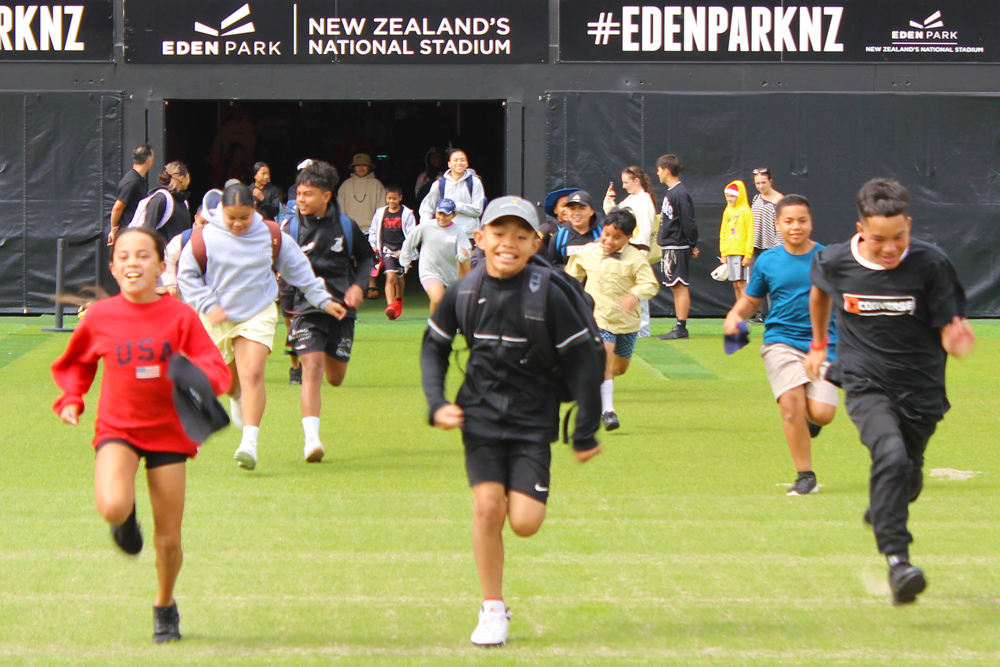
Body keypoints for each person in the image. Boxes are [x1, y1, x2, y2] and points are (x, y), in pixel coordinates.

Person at [420, 196, 602, 647]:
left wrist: (585, 430)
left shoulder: (550, 293)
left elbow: (585, 362)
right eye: (498, 234)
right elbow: (434, 347)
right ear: (478, 239)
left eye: (520, 236)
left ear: (535, 243)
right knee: (487, 507)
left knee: (523, 522)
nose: (508, 244)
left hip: (531, 423)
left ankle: (499, 592)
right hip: (478, 419)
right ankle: (492, 608)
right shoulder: (464, 291)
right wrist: (436, 402)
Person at [51, 228, 231, 643]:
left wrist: (204, 379)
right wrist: (72, 398)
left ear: (160, 266)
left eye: (143, 256)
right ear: (114, 269)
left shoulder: (181, 316)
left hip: (169, 433)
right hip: (118, 427)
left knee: (169, 540)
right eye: (125, 257)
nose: (134, 263)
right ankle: (125, 519)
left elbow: (212, 363)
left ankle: (165, 605)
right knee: (113, 505)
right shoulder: (98, 316)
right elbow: (77, 363)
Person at [805, 178, 975, 605]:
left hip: (921, 389)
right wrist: (820, 345)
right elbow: (821, 293)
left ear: (910, 226)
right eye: (879, 238)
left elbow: (950, 324)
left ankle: (885, 506)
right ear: (860, 228)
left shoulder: (931, 264)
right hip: (865, 381)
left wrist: (955, 341)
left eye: (899, 237)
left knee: (907, 476)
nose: (889, 247)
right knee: (891, 456)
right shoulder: (835, 261)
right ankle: (899, 563)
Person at [177, 184, 346, 471]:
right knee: (230, 384)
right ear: (221, 212)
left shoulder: (270, 234)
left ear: (254, 211)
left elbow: (299, 269)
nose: (238, 224)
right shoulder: (204, 236)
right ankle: (237, 398)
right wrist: (207, 304)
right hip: (216, 318)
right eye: (232, 217)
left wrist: (323, 300)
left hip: (258, 311)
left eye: (244, 217)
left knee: (253, 372)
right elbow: (187, 276)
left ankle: (249, 443)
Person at [723, 195, 838, 495]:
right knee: (791, 406)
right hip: (780, 341)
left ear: (811, 223)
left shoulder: (827, 259)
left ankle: (812, 423)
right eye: (788, 221)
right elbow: (751, 300)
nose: (795, 226)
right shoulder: (768, 261)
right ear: (777, 225)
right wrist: (735, 315)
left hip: (822, 344)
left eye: (802, 220)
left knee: (822, 413)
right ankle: (805, 475)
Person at [287, 160, 376, 463]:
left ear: (326, 195)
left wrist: (359, 287)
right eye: (299, 193)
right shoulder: (292, 227)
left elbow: (366, 258)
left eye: (308, 194)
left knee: (335, 378)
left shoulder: (347, 227)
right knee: (310, 368)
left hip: (342, 310)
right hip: (306, 308)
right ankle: (311, 440)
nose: (301, 199)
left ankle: (326, 349)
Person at [566, 207, 659, 431]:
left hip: (627, 323)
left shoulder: (635, 258)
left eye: (617, 237)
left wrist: (634, 295)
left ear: (628, 238)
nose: (609, 241)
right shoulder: (588, 252)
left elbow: (650, 284)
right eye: (606, 234)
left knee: (618, 369)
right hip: (599, 319)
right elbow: (570, 277)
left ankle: (598, 382)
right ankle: (608, 411)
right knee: (603, 362)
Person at [604, 166, 657, 337]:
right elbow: (614, 215)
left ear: (636, 181)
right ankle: (635, 325)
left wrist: (642, 250)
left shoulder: (644, 199)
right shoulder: (630, 199)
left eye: (626, 182)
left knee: (640, 286)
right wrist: (609, 200)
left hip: (638, 249)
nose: (624, 186)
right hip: (629, 249)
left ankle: (643, 328)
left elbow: (646, 228)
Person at [418, 148, 486, 276]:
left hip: (468, 234)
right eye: (455, 160)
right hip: (445, 233)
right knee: (449, 272)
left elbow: (478, 209)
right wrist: (427, 226)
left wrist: (455, 206)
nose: (459, 163)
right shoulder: (440, 184)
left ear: (467, 163)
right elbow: (427, 207)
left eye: (462, 160)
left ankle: (465, 296)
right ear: (449, 164)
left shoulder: (474, 182)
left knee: (467, 272)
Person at [400, 199, 472, 314]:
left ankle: (446, 324)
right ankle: (435, 327)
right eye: (439, 213)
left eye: (446, 214)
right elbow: (409, 242)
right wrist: (405, 261)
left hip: (450, 275)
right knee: (437, 298)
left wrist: (464, 255)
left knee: (448, 304)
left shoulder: (458, 231)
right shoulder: (426, 226)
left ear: (454, 215)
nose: (442, 217)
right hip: (429, 271)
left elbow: (465, 252)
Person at [655, 154, 699, 340]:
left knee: (679, 285)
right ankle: (679, 325)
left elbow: (688, 222)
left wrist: (691, 244)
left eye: (658, 170)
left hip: (678, 246)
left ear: (666, 170)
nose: (657, 174)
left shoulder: (680, 193)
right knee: (675, 286)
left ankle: (681, 328)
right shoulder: (672, 192)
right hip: (670, 245)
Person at [337, 153, 386, 298]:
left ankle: (372, 285)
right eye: (358, 165)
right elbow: (340, 208)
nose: (361, 168)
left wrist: (377, 227)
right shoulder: (345, 185)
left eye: (364, 165)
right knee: (351, 259)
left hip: (371, 228)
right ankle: (356, 286)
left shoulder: (376, 184)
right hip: (351, 228)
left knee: (371, 258)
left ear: (369, 167)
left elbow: (381, 208)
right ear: (353, 168)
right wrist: (345, 225)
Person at [369, 184, 416, 320]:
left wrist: (405, 250)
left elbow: (412, 234)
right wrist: (373, 244)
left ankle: (398, 299)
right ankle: (390, 306)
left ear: (400, 198)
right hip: (386, 249)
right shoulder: (380, 213)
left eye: (394, 198)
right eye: (389, 198)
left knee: (399, 279)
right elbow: (374, 230)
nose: (391, 201)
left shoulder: (407, 214)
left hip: (401, 250)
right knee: (390, 276)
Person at [750, 167, 785, 321]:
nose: (760, 186)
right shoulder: (755, 199)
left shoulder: (779, 200)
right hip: (755, 246)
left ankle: (775, 314)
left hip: (772, 247)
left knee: (773, 282)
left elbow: (782, 224)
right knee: (758, 280)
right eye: (757, 183)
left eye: (763, 182)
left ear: (770, 181)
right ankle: (760, 314)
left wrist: (779, 246)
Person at [136, 161, 194, 243]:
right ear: (181, 178)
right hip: (164, 254)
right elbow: (148, 231)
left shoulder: (184, 202)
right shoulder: (162, 198)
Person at [108, 144, 154, 246]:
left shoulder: (137, 179)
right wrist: (113, 229)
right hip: (128, 233)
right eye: (152, 158)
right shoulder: (132, 182)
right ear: (147, 161)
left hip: (133, 232)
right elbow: (117, 207)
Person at [719, 180, 754, 304]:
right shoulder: (727, 211)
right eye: (728, 196)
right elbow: (723, 232)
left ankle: (745, 312)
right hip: (730, 252)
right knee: (735, 283)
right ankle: (740, 310)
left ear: (740, 195)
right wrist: (723, 253)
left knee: (742, 283)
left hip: (741, 253)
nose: (730, 199)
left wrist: (748, 255)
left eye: (732, 196)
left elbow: (750, 234)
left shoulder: (746, 212)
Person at [546, 190, 602, 267]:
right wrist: (565, 270)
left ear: (591, 211)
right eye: (572, 208)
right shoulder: (559, 238)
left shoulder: (603, 234)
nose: (577, 213)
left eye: (582, 208)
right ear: (567, 211)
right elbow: (550, 267)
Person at [161, 206, 207, 299]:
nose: (204, 227)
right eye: (202, 222)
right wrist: (171, 285)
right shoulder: (183, 239)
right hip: (182, 293)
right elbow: (168, 261)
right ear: (196, 218)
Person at [540, 187, 579, 252]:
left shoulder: (583, 227)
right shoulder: (546, 228)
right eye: (563, 205)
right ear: (555, 209)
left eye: (571, 206)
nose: (567, 209)